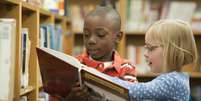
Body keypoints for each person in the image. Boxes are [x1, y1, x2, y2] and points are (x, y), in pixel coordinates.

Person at [50, 3, 137, 101]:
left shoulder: (126, 68)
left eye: (100, 35)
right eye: (86, 35)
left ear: (118, 37)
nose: (91, 40)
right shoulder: (73, 65)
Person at [110, 19, 198, 101]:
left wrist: (106, 79)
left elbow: (137, 91)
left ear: (170, 51)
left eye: (150, 48)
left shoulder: (173, 81)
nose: (145, 53)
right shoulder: (177, 78)